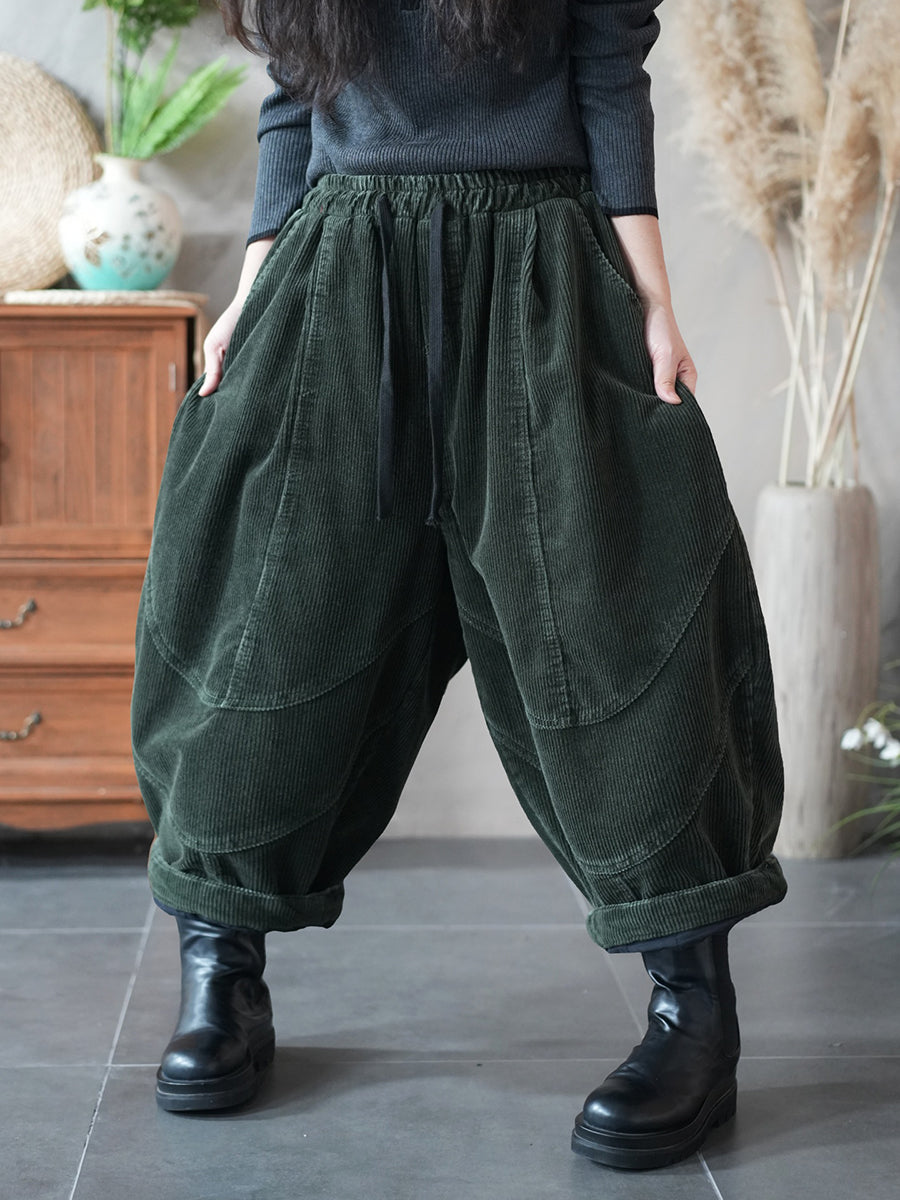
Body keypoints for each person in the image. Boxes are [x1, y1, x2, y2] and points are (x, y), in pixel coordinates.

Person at [131, 0, 788, 1172]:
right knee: (260, 616)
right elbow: (296, 95)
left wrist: (653, 300)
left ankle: (694, 1008)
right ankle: (220, 971)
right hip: (338, 268)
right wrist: (253, 288)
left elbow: (608, 71)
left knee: (611, 617)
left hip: (540, 263)